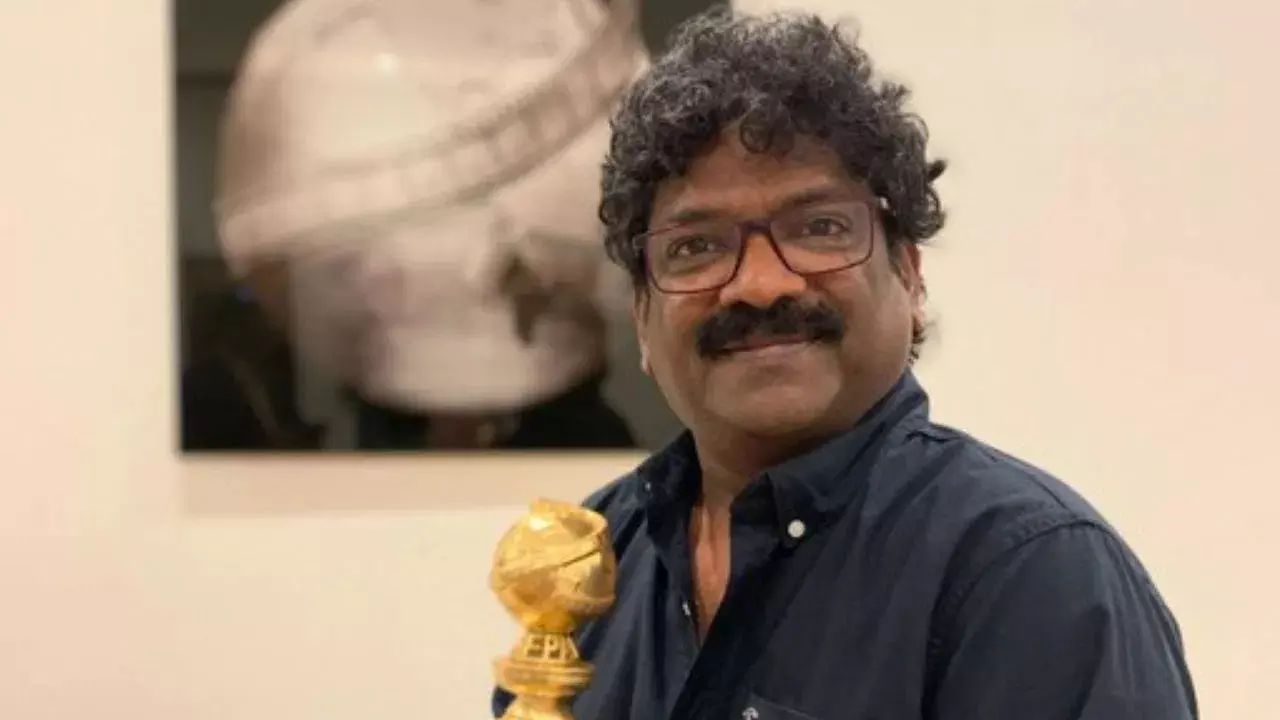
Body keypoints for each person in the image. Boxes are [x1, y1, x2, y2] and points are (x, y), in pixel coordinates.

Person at [492, 8, 1198, 719]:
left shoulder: (1027, 573)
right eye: (696, 246)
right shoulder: (588, 561)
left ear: (910, 275)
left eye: (819, 228)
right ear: (641, 316)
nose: (760, 284)